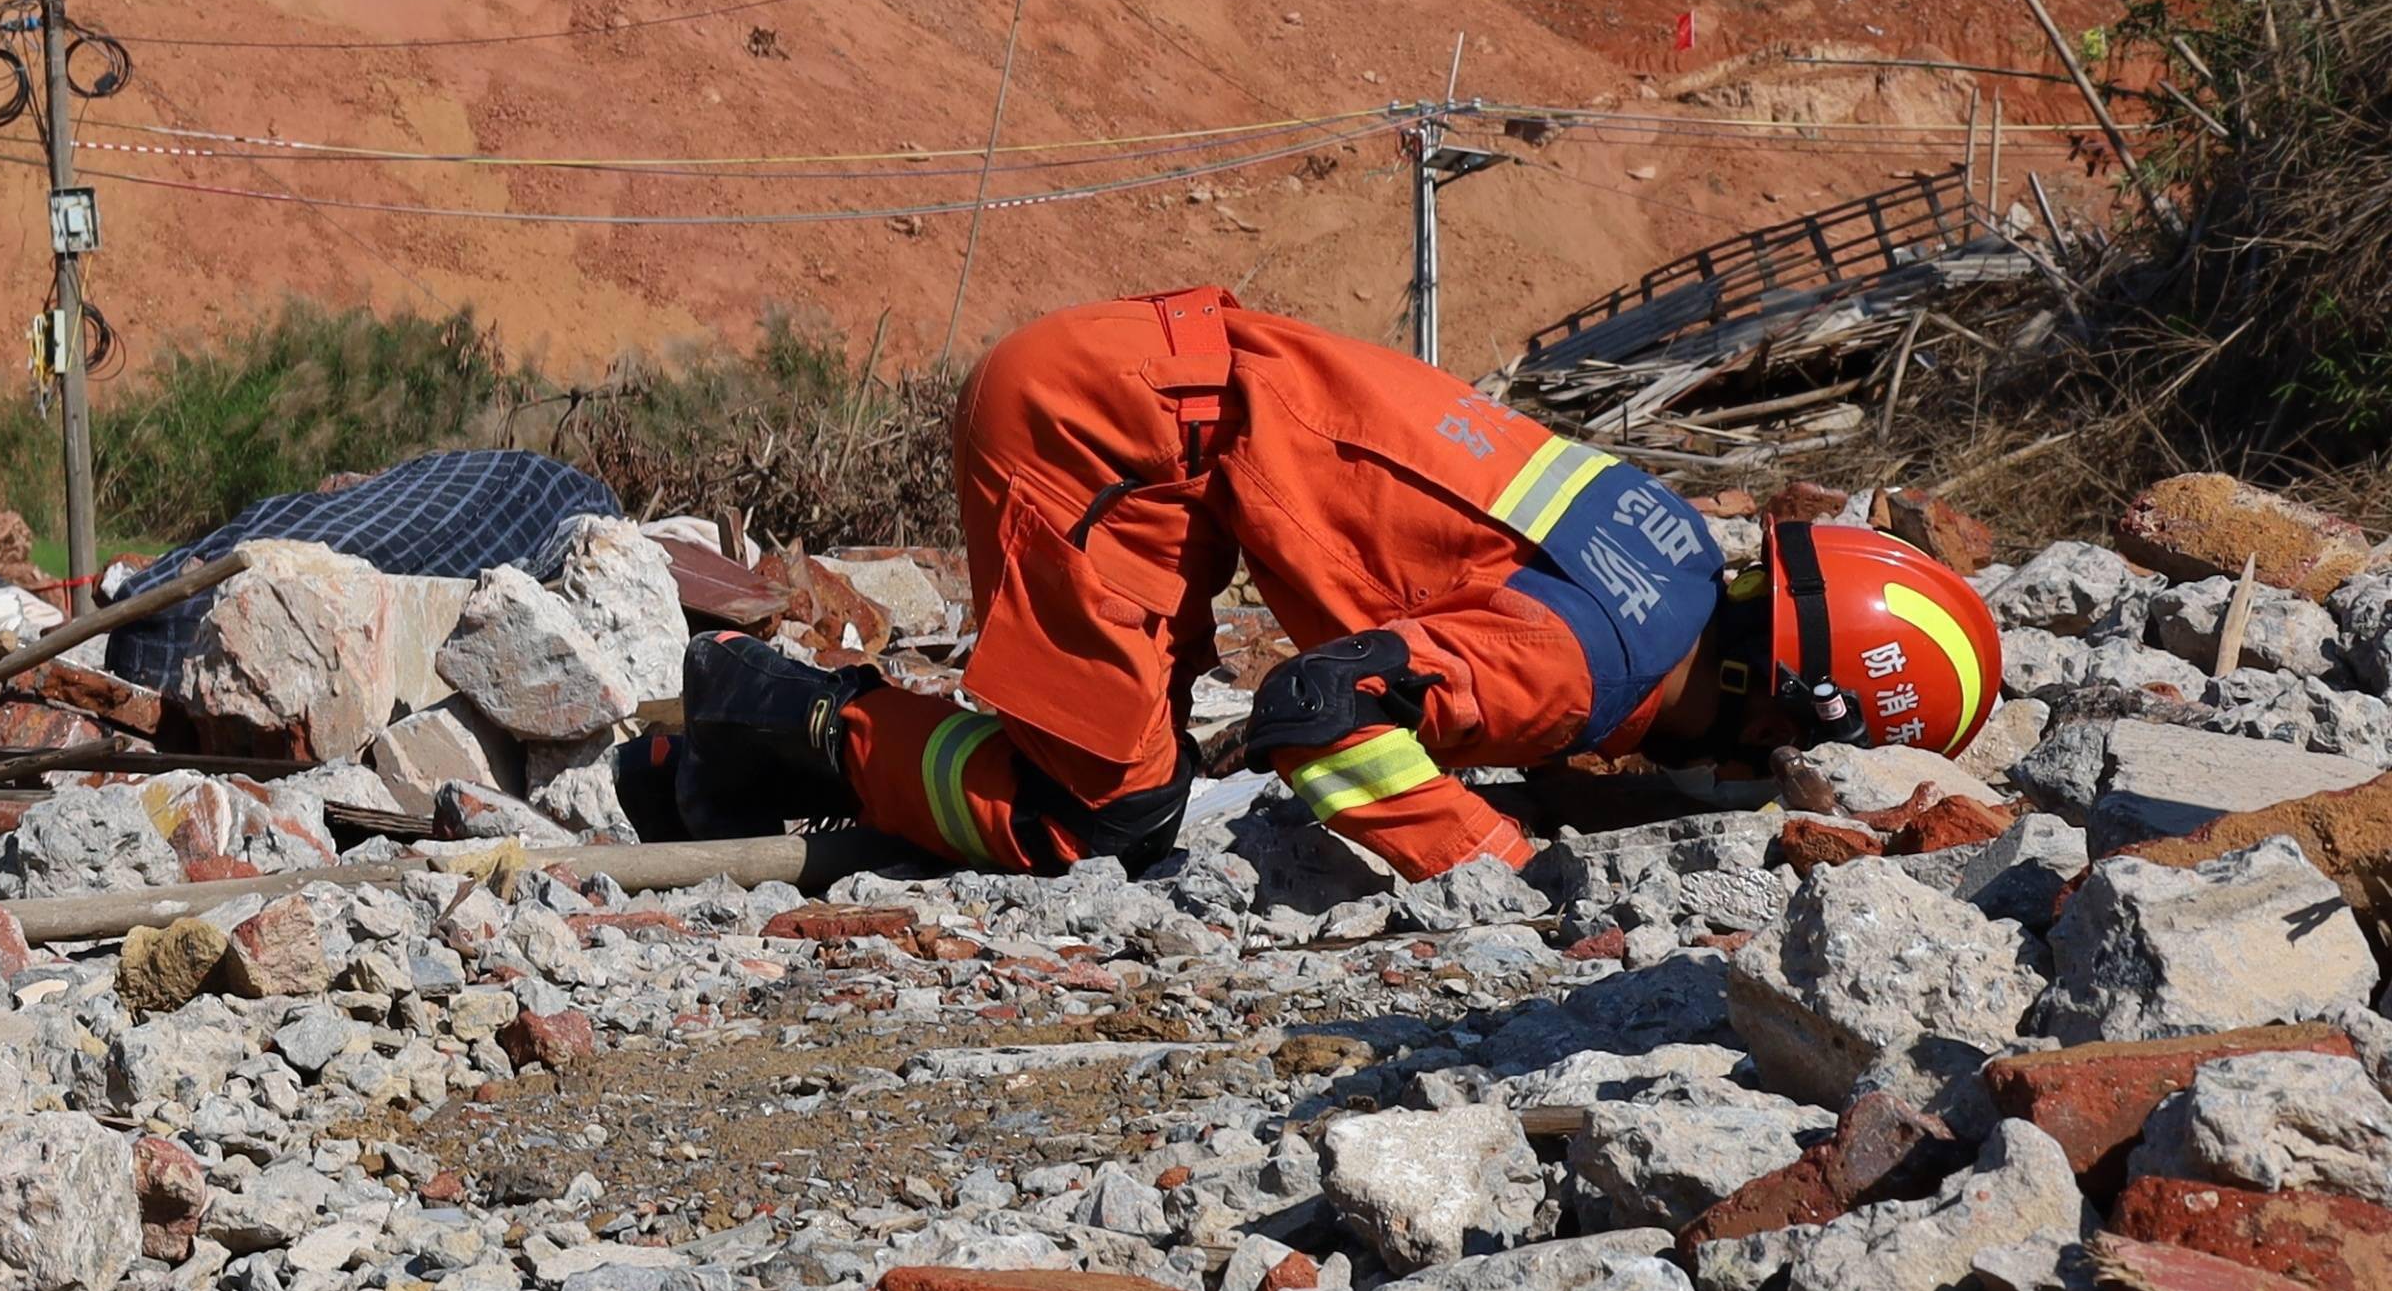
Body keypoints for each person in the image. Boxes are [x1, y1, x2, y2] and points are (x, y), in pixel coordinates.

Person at [662, 284, 1999, 879]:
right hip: (1104, 431)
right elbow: (1315, 707)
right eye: (1794, 763)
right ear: (1778, 709)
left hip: (1150, 398)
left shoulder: (1664, 558)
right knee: (1104, 824)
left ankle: (742, 754)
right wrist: (1497, 871)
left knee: (1120, 752)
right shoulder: (1591, 661)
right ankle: (773, 712)